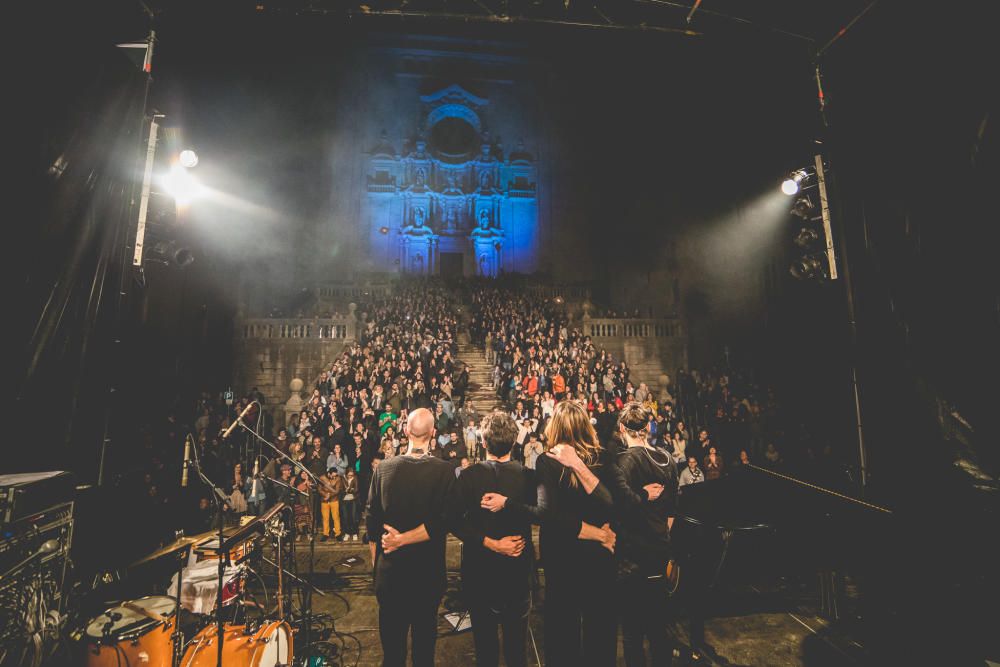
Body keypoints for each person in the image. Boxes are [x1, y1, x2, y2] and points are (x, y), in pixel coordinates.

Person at [366, 407, 457, 667]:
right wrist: (406, 538)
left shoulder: (383, 469)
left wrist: (379, 566)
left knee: (392, 655)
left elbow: (372, 527)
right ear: (433, 433)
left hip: (390, 574)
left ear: (405, 431)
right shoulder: (444, 471)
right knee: (423, 654)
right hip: (427, 576)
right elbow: (444, 521)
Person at [533, 400, 617, 667]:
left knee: (566, 629)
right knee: (598, 627)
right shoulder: (549, 462)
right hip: (592, 550)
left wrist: (577, 464)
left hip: (565, 553)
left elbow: (611, 502)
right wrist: (597, 533)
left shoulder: (602, 457)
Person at [454, 412, 537, 667]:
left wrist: (489, 543)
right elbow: (541, 515)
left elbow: (454, 521)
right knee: (516, 651)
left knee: (485, 650)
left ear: (482, 442)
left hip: (480, 572)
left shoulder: (467, 476)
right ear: (514, 443)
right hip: (518, 570)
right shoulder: (528, 477)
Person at [607, 403, 680, 666]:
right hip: (660, 550)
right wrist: (659, 535)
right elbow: (672, 512)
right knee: (660, 628)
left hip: (632, 557)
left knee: (633, 632)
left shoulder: (624, 462)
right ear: (648, 427)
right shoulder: (668, 458)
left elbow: (616, 510)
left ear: (622, 429)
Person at [318, 467, 345, 542]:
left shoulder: (338, 478)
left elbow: (337, 490)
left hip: (334, 500)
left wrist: (329, 495)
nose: (334, 477)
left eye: (335, 476)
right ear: (329, 473)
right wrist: (325, 495)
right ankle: (325, 534)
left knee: (336, 517)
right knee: (325, 518)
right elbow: (319, 489)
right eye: (333, 476)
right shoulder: (322, 478)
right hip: (324, 501)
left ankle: (338, 534)